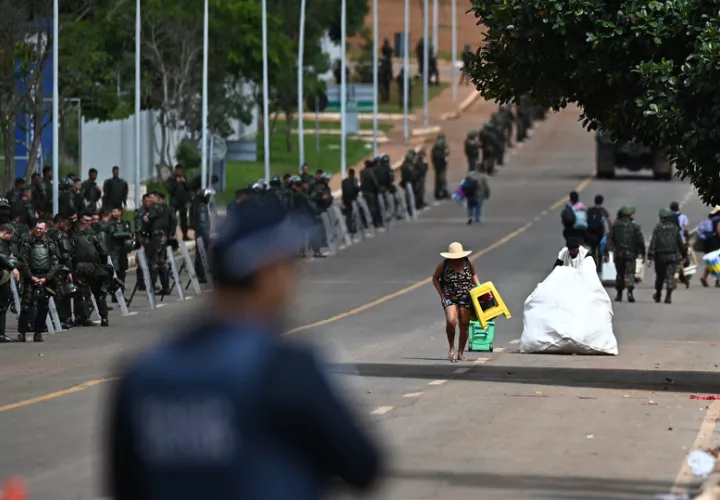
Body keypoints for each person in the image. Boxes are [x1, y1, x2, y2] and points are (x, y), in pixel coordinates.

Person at [106, 196, 383, 500]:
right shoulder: (283, 369)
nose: (294, 280)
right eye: (289, 265)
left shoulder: (143, 376)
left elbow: (124, 486)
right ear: (267, 271)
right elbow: (362, 466)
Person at [432, 242, 480, 362]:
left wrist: (479, 286)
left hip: (466, 296)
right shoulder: (444, 265)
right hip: (450, 297)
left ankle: (461, 353)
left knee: (464, 324)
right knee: (451, 321)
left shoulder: (468, 263)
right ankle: (451, 347)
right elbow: (435, 278)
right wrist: (441, 294)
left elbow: (474, 274)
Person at [606, 205, 646, 303]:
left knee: (620, 274)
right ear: (629, 215)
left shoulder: (615, 225)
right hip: (631, 254)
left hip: (619, 254)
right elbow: (640, 241)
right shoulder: (635, 226)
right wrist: (643, 253)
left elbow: (610, 239)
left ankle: (619, 294)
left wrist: (607, 252)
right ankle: (630, 292)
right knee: (630, 274)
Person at [648, 208, 686, 304]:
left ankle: (658, 294)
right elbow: (680, 243)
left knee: (660, 277)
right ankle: (668, 296)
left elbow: (653, 242)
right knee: (670, 276)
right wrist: (684, 254)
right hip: (672, 256)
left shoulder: (658, 228)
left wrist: (650, 255)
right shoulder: (675, 228)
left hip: (660, 257)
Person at [586, 194, 612, 272]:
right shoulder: (603, 210)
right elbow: (609, 221)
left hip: (590, 232)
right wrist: (611, 229)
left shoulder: (590, 210)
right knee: (600, 249)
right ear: (602, 202)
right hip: (600, 232)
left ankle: (594, 263)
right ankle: (599, 266)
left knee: (593, 249)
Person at [669, 201, 690, 286]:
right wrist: (687, 241)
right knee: (684, 259)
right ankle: (682, 277)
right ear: (678, 208)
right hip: (680, 241)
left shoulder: (667, 217)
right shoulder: (683, 217)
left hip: (669, 241)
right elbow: (686, 230)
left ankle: (671, 275)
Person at [699, 206, 720, 287]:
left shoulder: (711, 219)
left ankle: (704, 277)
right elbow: (719, 230)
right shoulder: (719, 219)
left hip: (708, 242)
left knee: (712, 260)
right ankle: (718, 280)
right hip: (716, 242)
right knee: (718, 261)